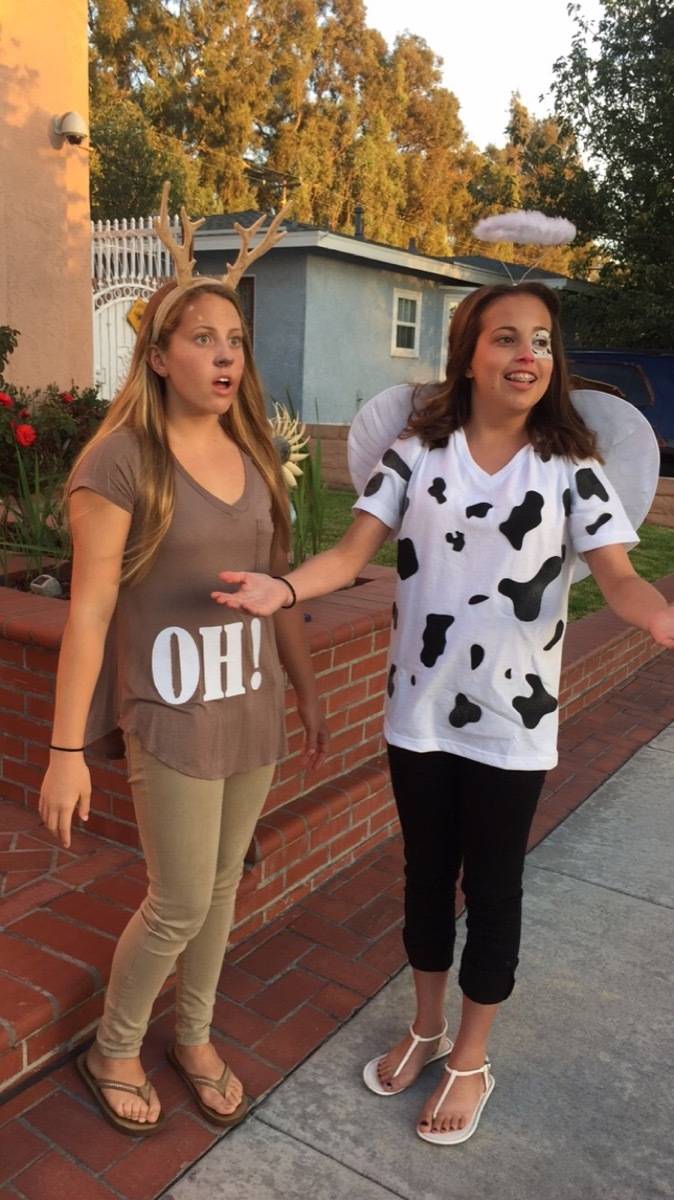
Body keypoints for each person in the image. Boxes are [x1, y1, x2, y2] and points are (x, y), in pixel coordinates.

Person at [211, 282, 674, 1146]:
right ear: (468, 355)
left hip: (513, 723)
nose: (527, 354)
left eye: (540, 340)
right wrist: (283, 586)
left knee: (492, 893)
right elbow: (352, 553)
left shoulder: (572, 467)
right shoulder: (417, 454)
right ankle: (425, 1026)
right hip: (417, 717)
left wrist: (655, 611)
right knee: (425, 880)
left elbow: (614, 572)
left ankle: (472, 1055)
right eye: (506, 337)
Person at [38, 268, 328, 1136]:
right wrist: (61, 755)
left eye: (234, 340)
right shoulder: (119, 461)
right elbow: (87, 611)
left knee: (221, 887)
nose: (225, 355)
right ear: (158, 356)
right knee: (178, 900)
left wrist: (308, 690)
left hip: (252, 708)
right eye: (202, 339)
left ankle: (193, 1035)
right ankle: (115, 1047)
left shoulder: (255, 455)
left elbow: (279, 589)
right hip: (172, 715)